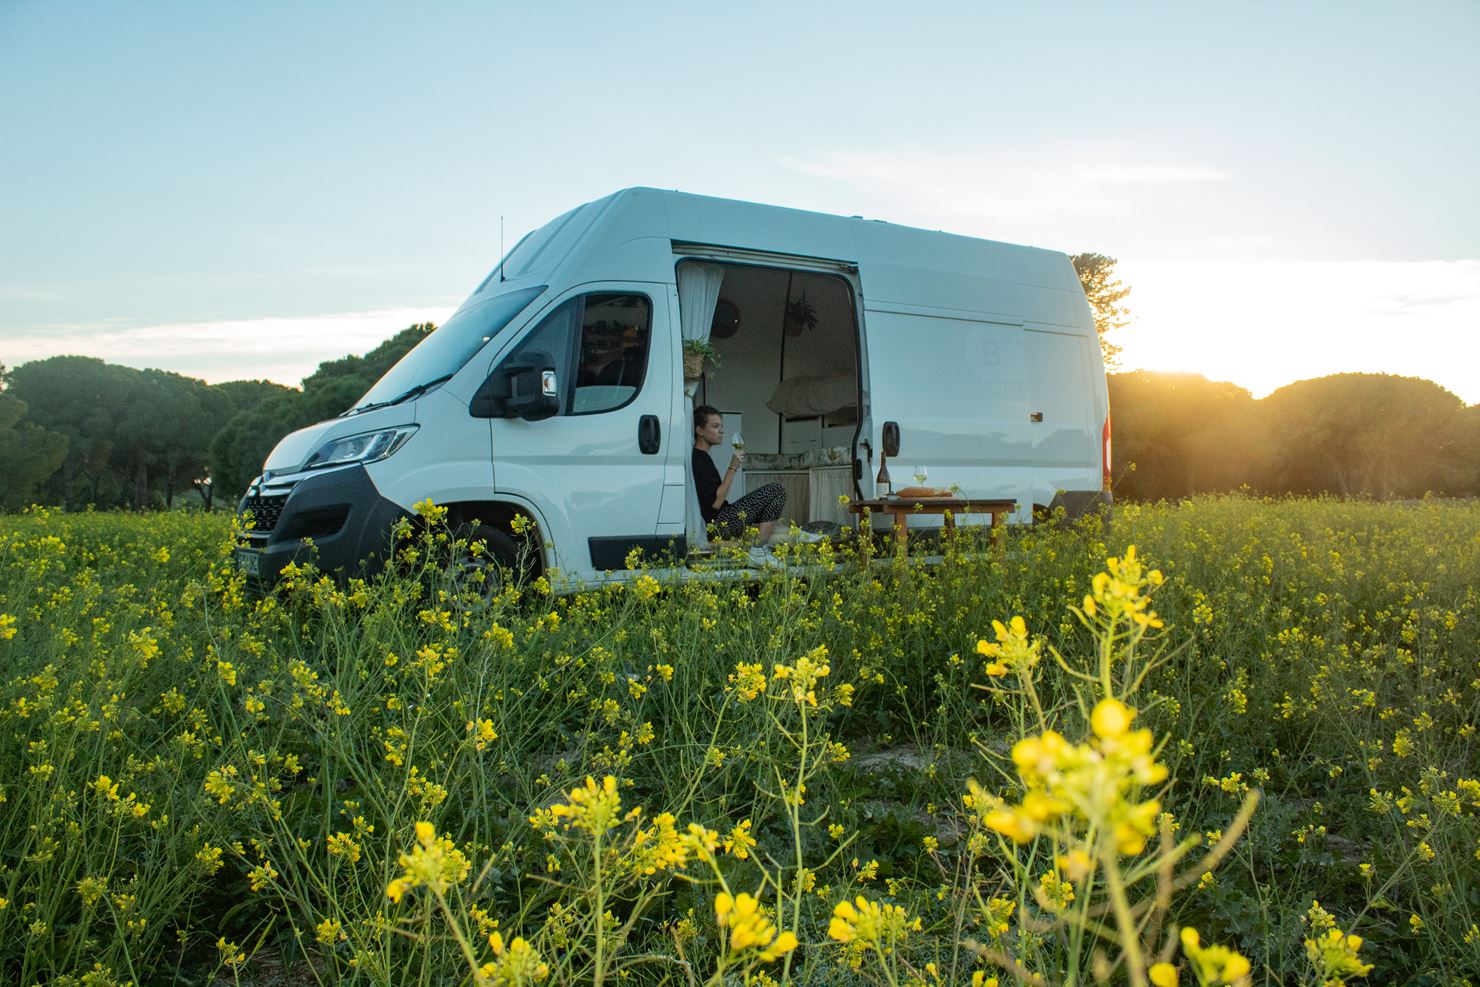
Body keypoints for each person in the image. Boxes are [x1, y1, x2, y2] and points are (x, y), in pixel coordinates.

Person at [692, 405, 786, 542]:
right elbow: (716, 504)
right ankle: (759, 549)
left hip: (722, 518)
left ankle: (759, 545)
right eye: (715, 426)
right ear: (700, 430)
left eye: (721, 426)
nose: (721, 431)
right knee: (776, 491)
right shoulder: (699, 459)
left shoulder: (702, 456)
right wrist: (733, 467)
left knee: (771, 503)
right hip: (718, 523)